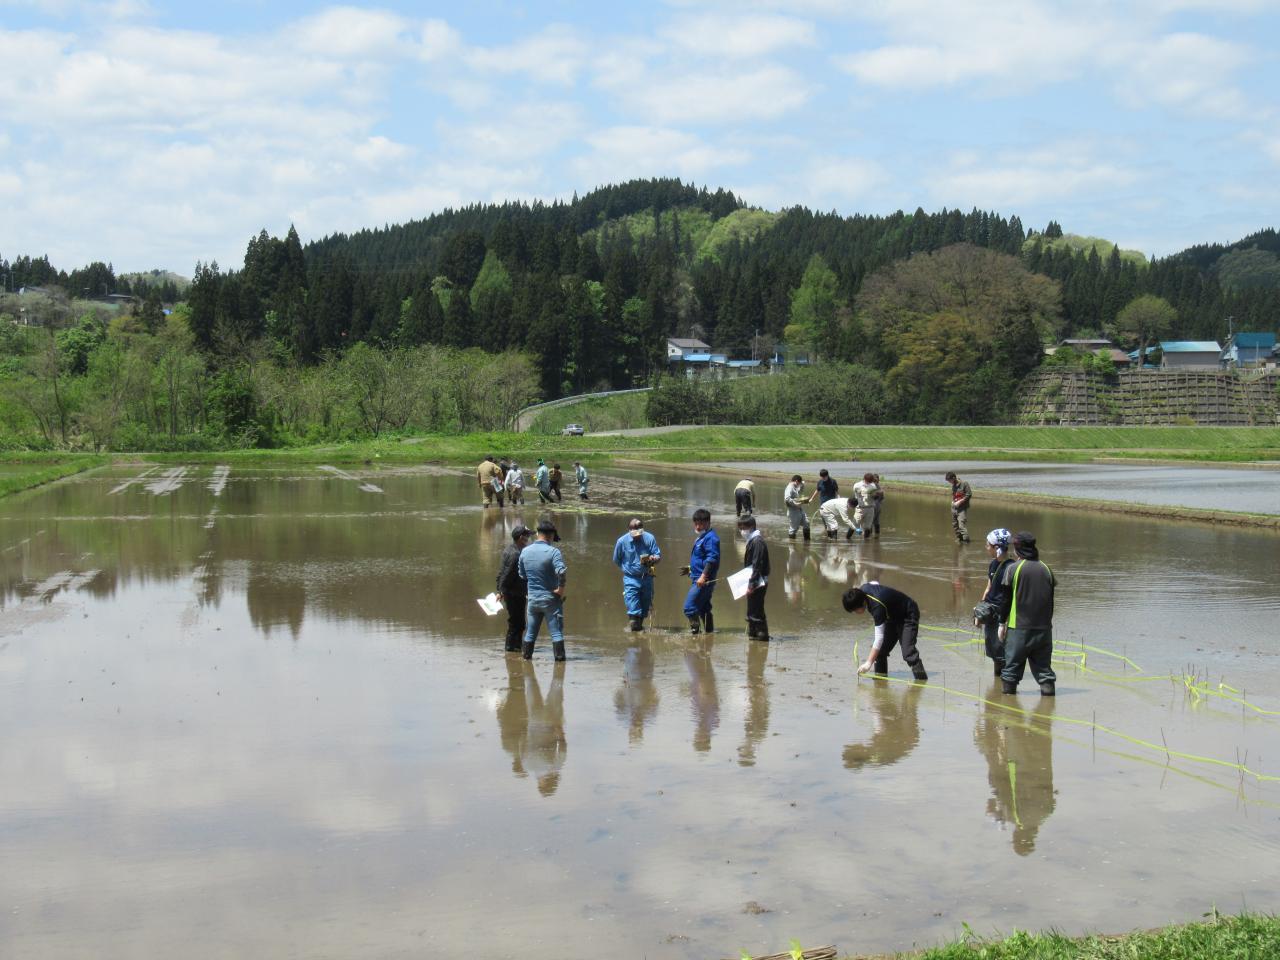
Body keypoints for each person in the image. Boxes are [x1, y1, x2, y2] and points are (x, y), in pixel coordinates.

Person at [996, 531, 1056, 696]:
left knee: (1010, 671)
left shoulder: (1013, 569)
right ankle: (1048, 703)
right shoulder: (1046, 569)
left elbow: (1005, 600)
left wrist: (1001, 624)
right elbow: (1051, 603)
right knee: (1045, 672)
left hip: (1019, 629)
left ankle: (1008, 710)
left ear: (1017, 550)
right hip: (1044, 630)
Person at [842, 581, 929, 680]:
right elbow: (875, 583)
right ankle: (880, 683)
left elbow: (879, 638)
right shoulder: (863, 588)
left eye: (855, 610)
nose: (855, 613)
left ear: (861, 603)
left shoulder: (877, 608)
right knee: (879, 653)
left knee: (908, 653)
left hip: (907, 614)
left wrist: (868, 663)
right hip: (891, 617)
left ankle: (921, 682)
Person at [517, 517, 567, 661]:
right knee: (556, 633)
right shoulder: (553, 552)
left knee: (530, 633)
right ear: (551, 535)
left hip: (532, 599)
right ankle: (559, 668)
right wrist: (561, 590)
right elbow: (562, 572)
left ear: (538, 533)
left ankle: (526, 661)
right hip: (550, 599)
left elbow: (522, 575)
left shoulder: (525, 552)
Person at [612, 518, 662, 631]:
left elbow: (658, 555)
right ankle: (635, 642)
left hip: (647, 578)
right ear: (629, 530)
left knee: (644, 611)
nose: (637, 536)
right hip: (631, 579)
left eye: (639, 533)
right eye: (634, 534)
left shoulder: (649, 538)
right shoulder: (621, 541)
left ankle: (639, 638)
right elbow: (616, 560)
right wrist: (627, 569)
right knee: (633, 614)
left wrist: (654, 558)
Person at [977, 528, 1015, 677]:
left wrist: (1004, 622)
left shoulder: (1011, 567)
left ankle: (1005, 684)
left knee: (1001, 651)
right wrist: (979, 612)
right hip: (990, 613)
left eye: (988, 545)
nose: (986, 547)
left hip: (1003, 615)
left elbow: (1011, 596)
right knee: (993, 650)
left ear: (996, 547)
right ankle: (997, 684)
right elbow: (988, 588)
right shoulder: (993, 564)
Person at [680, 507, 720, 634]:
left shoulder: (711, 538)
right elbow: (701, 558)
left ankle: (695, 634)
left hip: (704, 580)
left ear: (708, 523)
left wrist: (703, 576)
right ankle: (709, 634)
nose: (697, 526)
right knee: (704, 608)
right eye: (696, 523)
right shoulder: (703, 537)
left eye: (701, 523)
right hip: (698, 577)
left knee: (689, 608)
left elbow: (712, 559)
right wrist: (690, 569)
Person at [495, 524, 532, 653]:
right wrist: (501, 591)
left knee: (517, 622)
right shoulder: (516, 554)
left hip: (513, 591)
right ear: (521, 537)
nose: (529, 539)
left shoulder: (509, 549)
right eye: (527, 536)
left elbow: (501, 572)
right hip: (514, 593)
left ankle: (515, 647)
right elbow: (507, 574)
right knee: (517, 623)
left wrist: (500, 589)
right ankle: (511, 648)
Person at [738, 514, 770, 641]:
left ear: (751, 526)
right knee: (755, 608)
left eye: (744, 527)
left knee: (755, 610)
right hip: (755, 580)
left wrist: (751, 585)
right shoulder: (752, 540)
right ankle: (754, 636)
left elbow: (757, 565)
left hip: (758, 581)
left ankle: (761, 637)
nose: (742, 530)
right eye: (740, 527)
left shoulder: (757, 542)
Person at [783, 474, 814, 540]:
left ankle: (807, 542)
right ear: (796, 481)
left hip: (799, 509)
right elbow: (787, 498)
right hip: (793, 510)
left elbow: (800, 491)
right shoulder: (790, 487)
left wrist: (802, 484)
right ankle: (791, 545)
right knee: (794, 528)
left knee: (806, 523)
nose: (799, 485)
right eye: (799, 483)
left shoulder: (795, 486)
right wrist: (795, 504)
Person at [850, 473, 879, 541]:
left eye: (871, 481)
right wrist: (864, 492)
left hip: (870, 508)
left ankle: (866, 542)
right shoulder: (857, 485)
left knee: (867, 527)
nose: (870, 483)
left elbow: (874, 497)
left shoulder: (873, 485)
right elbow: (857, 493)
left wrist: (876, 496)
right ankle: (848, 538)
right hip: (860, 508)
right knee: (854, 525)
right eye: (869, 481)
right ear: (865, 479)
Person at [946, 471, 972, 543]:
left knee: (961, 525)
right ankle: (959, 538)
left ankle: (966, 540)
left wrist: (960, 501)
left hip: (962, 508)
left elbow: (969, 494)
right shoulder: (953, 485)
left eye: (949, 480)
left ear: (954, 478)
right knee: (955, 525)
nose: (949, 482)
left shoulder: (964, 484)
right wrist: (953, 501)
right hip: (954, 507)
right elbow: (955, 495)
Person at [870, 473, 884, 538]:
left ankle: (871, 536)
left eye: (876, 480)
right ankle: (876, 536)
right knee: (875, 521)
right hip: (876, 505)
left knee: (872, 521)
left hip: (875, 505)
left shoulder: (875, 486)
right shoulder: (877, 486)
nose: (875, 481)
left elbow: (881, 497)